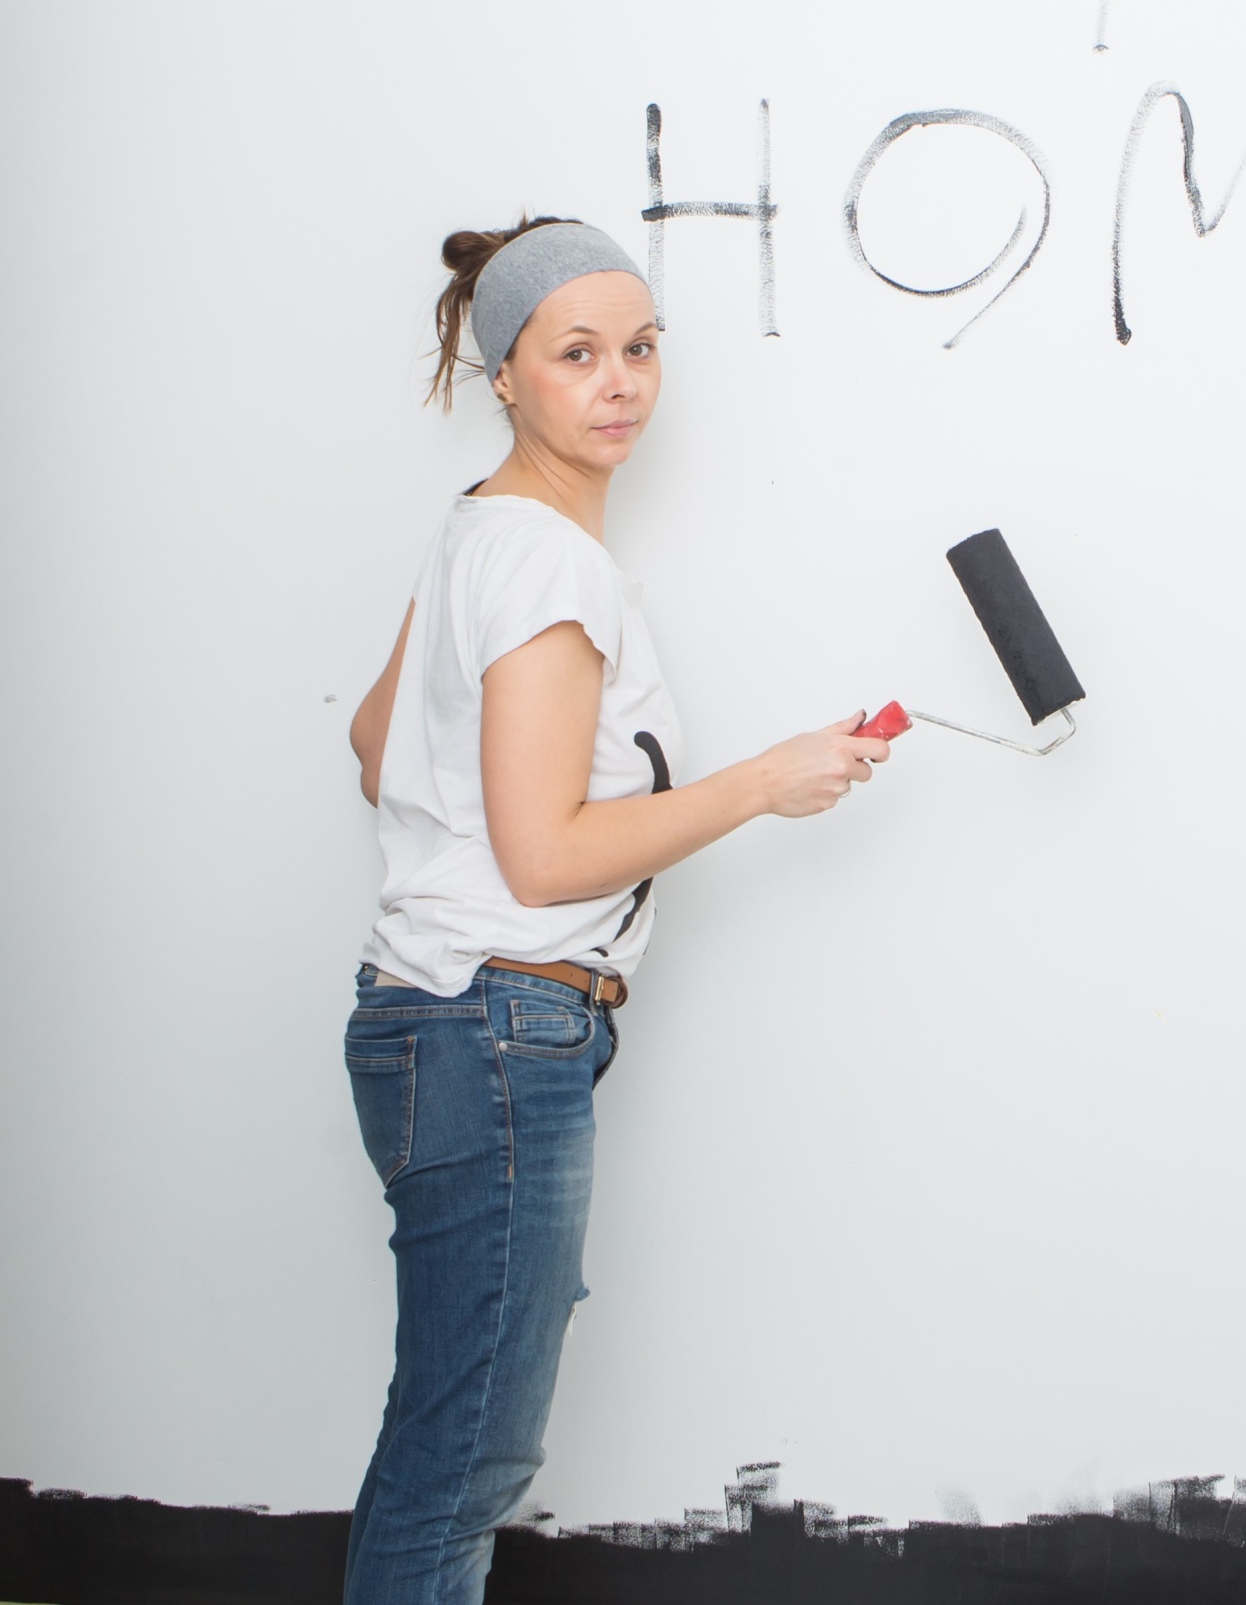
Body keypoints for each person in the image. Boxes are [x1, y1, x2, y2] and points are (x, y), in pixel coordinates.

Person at [340, 217, 890, 1605]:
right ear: (505, 373)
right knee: (462, 1465)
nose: (621, 382)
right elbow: (543, 858)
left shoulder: (483, 527)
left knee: (447, 1449)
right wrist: (762, 783)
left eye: (640, 349)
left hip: (435, 1024)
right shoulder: (547, 563)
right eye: (577, 354)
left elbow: (370, 745)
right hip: (496, 1031)